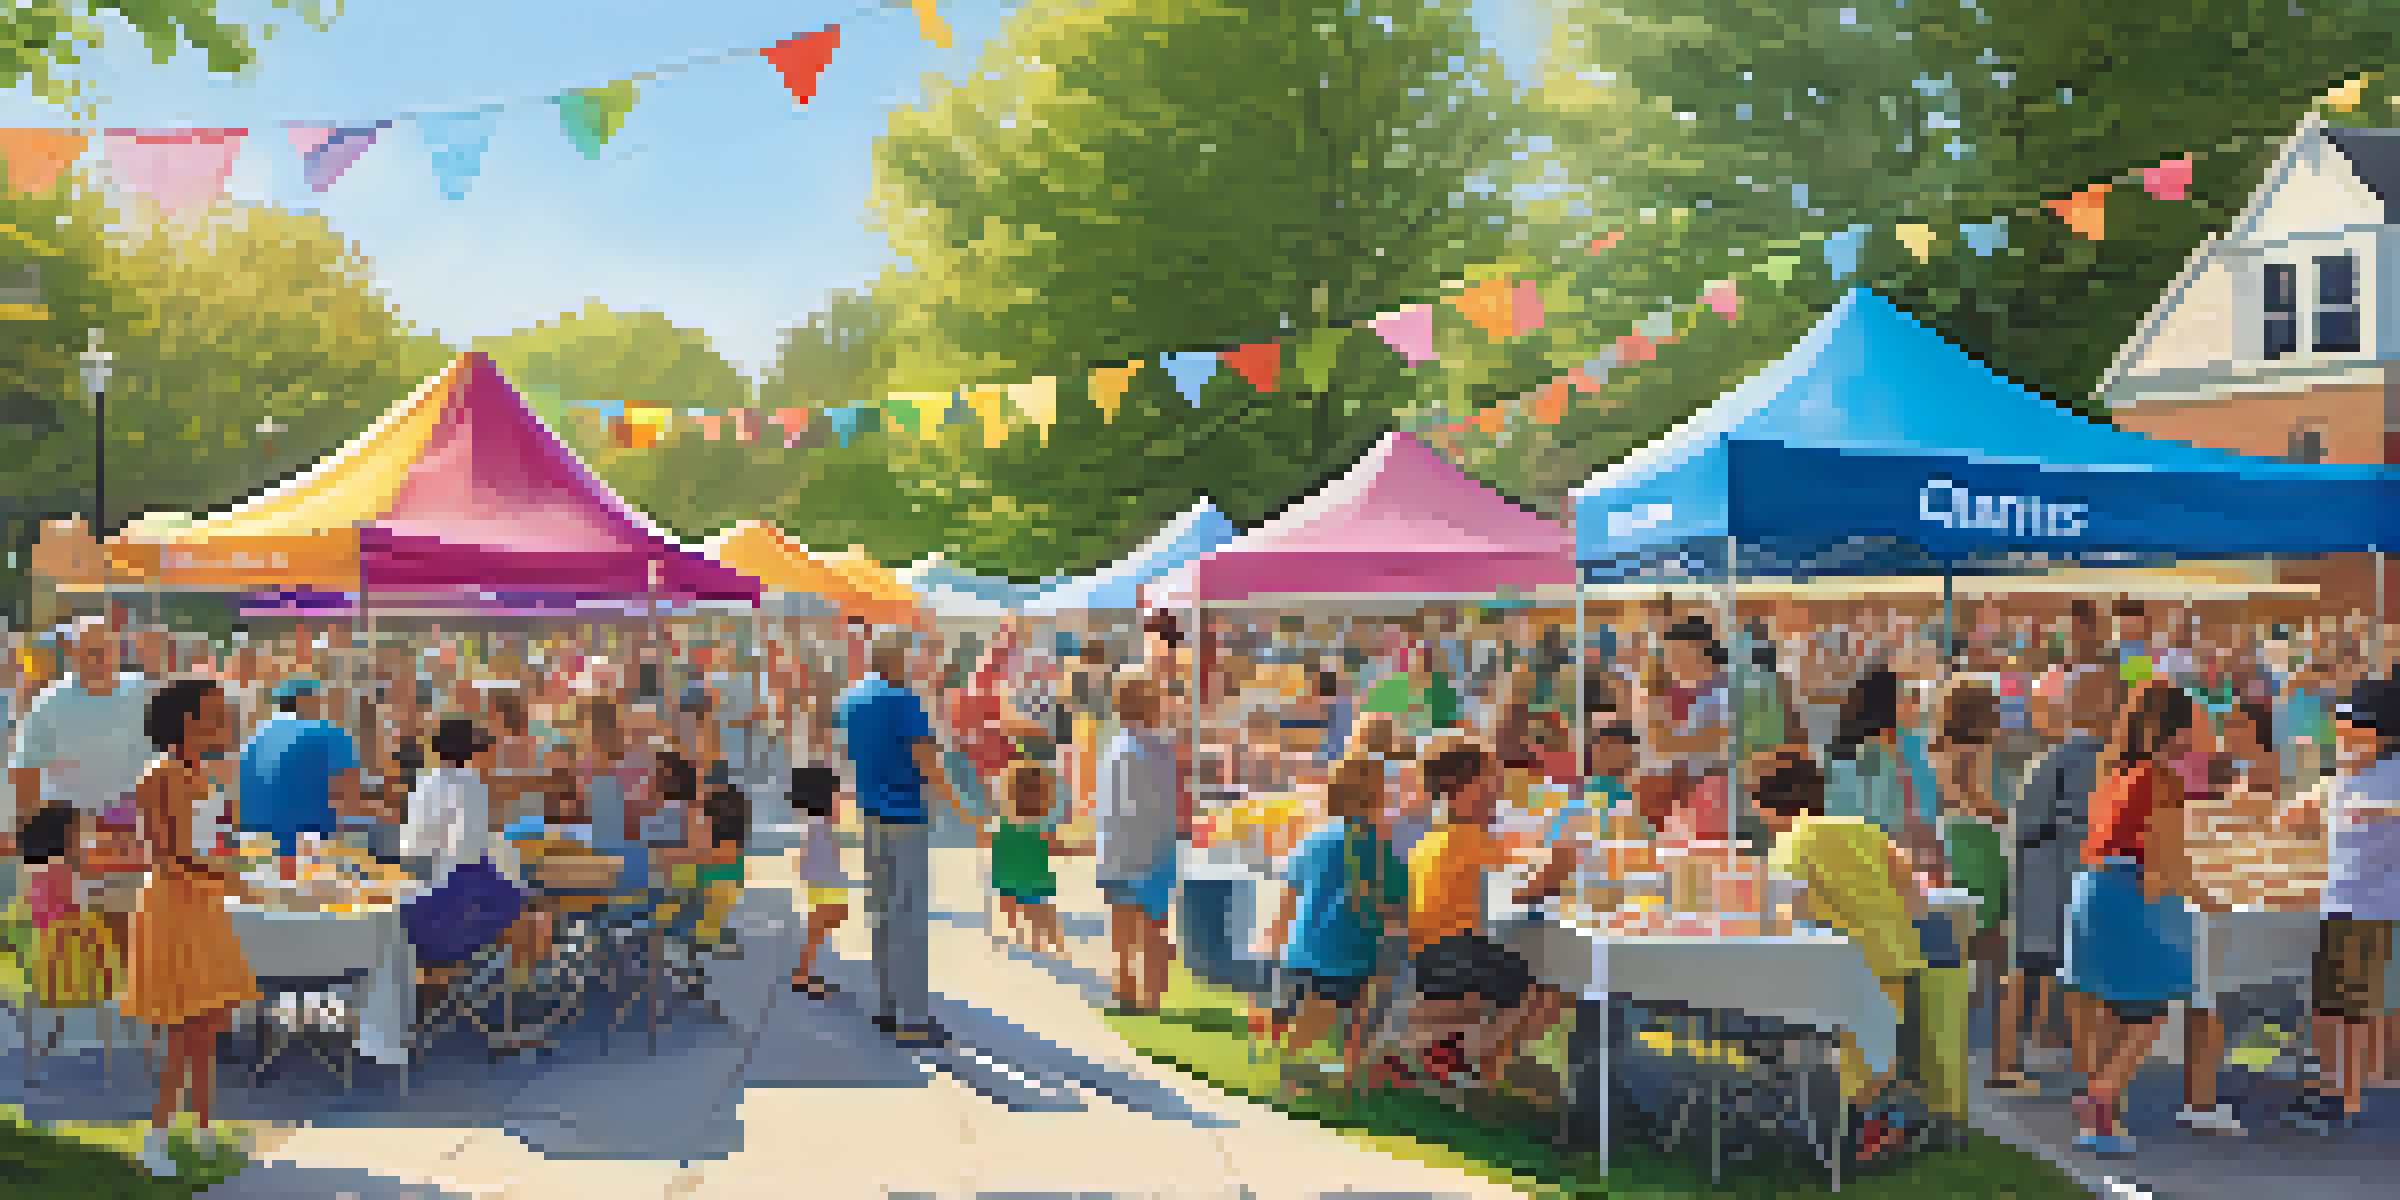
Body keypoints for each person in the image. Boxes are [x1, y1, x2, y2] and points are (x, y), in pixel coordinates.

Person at [1751, 744, 1927, 1163]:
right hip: (1892, 955)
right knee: (1876, 1055)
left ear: (1763, 802)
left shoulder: (1787, 847)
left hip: (1838, 966)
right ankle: (1878, 1127)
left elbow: (1793, 915)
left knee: (1846, 1054)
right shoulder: (1864, 829)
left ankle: (1855, 1136)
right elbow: (1915, 895)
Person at [123, 678, 260, 1177]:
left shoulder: (200, 773)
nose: (222, 724)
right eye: (213, 715)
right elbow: (167, 856)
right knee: (184, 1027)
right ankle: (155, 1138)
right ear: (187, 722)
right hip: (174, 906)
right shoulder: (159, 775)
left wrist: (228, 864)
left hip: (203, 903)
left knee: (210, 1020)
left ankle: (201, 1127)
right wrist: (228, 876)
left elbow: (211, 842)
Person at [2063, 681, 2204, 1158]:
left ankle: (2103, 1117)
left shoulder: (2112, 776)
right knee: (2154, 1007)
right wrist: (2206, 896)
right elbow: (2166, 866)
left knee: (2112, 1008)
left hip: (2089, 890)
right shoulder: (2162, 779)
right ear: (2177, 727)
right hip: (2125, 892)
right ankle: (2101, 1098)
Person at [1401, 737, 1571, 1092]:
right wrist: (1557, 870)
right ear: (1461, 791)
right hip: (1450, 958)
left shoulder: (1431, 840)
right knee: (1551, 988)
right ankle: (1476, 1061)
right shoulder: (1471, 840)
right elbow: (1516, 894)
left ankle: (1468, 1057)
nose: (1497, 792)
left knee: (1537, 978)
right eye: (1490, 782)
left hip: (1428, 956)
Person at [2280, 678, 2400, 1135]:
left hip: (2371, 908)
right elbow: (2305, 810)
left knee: (2354, 1007)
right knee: (2328, 1004)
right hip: (2338, 904)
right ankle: (2326, 1089)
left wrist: (2383, 810)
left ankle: (2347, 1097)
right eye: (2342, 723)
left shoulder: (2390, 773)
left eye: (2353, 725)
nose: (2344, 731)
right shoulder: (2347, 773)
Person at [1990, 665, 2112, 1098]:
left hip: (2036, 881)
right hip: (2065, 883)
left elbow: (2021, 827)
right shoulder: (2094, 760)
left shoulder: (2047, 761)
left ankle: (2009, 1067)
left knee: (2027, 972)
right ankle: (2090, 1075)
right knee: (2080, 981)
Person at [835, 633, 958, 1049]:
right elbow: (926, 761)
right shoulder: (903, 699)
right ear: (898, 659)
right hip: (905, 814)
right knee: (908, 917)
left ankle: (889, 1006)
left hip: (870, 813)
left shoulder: (851, 699)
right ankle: (912, 1018)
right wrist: (962, 808)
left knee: (883, 913)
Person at [1263, 754, 1407, 1096]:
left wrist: (1276, 951)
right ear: (1378, 800)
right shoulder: (1381, 850)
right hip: (1348, 956)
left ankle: (1290, 1071)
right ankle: (1347, 1080)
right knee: (1363, 1009)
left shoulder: (1312, 842)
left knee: (1311, 1019)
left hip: (1299, 953)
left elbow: (1288, 900)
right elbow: (1396, 912)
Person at [1094, 673, 1182, 1015]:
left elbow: (1109, 805)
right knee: (1154, 930)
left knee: (1123, 931)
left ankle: (1125, 992)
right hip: (1156, 850)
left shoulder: (1115, 748)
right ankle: (1153, 1000)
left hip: (1118, 850)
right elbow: (1167, 803)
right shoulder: (1161, 751)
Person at [237, 677, 362, 867]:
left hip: (252, 850)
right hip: (308, 853)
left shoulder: (252, 740)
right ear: (308, 701)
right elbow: (350, 796)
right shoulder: (329, 734)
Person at [983, 760, 1083, 958]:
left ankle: (1041, 944)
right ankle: (1043, 944)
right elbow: (1055, 846)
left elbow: (998, 847)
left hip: (1017, 879)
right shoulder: (1033, 823)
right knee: (1038, 914)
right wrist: (1079, 849)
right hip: (1025, 879)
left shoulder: (1009, 822)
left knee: (1033, 914)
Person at [788, 764, 851, 998]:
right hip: (824, 873)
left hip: (824, 871)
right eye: (836, 793)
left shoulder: (820, 821)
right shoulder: (820, 821)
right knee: (825, 917)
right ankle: (802, 974)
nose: (840, 797)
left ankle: (804, 971)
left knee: (832, 915)